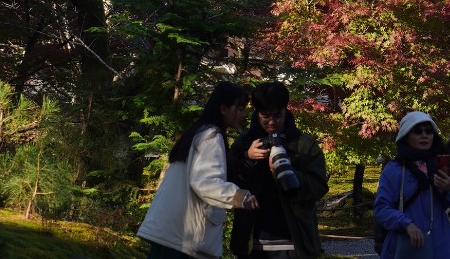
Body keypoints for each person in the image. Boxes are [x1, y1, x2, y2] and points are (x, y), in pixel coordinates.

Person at [141, 84, 260, 259]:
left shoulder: (198, 132)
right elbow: (205, 182)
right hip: (184, 240)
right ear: (223, 109)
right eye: (240, 109)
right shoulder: (212, 136)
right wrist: (239, 196)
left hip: (171, 234)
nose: (243, 115)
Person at [229, 81, 329, 259]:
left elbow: (319, 186)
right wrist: (247, 158)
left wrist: (289, 173)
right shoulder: (244, 143)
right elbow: (227, 184)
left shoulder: (305, 144)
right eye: (265, 116)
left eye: (277, 115)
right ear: (257, 113)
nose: (272, 122)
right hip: (252, 243)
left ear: (286, 110)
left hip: (296, 243)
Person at [376, 111, 450, 259]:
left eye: (429, 131)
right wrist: (406, 224)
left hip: (442, 247)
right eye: (417, 131)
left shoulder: (446, 166)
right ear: (406, 135)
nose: (424, 135)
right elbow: (382, 209)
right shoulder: (394, 169)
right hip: (405, 245)